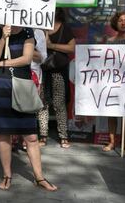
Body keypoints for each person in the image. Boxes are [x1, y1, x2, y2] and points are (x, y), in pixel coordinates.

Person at [0, 24, 57, 191]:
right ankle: (7, 176)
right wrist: (3, 38)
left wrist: (3, 64)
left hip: (22, 86)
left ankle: (39, 177)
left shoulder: (28, 32)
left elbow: (26, 59)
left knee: (31, 136)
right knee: (3, 134)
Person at [103, 11, 125, 152]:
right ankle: (112, 142)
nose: (123, 23)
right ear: (115, 23)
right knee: (112, 112)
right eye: (120, 21)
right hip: (112, 81)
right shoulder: (109, 41)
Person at [38, 8, 75, 148]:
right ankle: (43, 135)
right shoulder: (40, 28)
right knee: (42, 104)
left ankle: (63, 135)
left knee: (59, 104)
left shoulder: (65, 28)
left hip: (58, 71)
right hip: (42, 71)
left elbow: (71, 48)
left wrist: (51, 45)